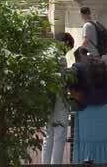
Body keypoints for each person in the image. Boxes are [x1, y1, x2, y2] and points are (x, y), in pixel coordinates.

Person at [41, 33, 76, 164]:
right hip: (58, 98)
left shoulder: (45, 54)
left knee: (48, 135)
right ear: (65, 44)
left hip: (45, 98)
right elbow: (61, 81)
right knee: (59, 135)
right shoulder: (60, 58)